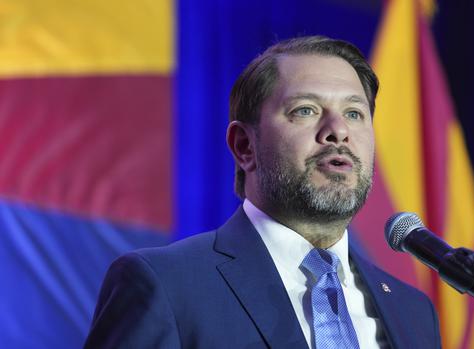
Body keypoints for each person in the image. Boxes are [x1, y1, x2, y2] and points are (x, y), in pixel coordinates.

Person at [84, 36, 441, 349]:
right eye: (306, 110)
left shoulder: (412, 310)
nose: (338, 131)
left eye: (354, 113)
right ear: (244, 146)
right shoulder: (166, 285)